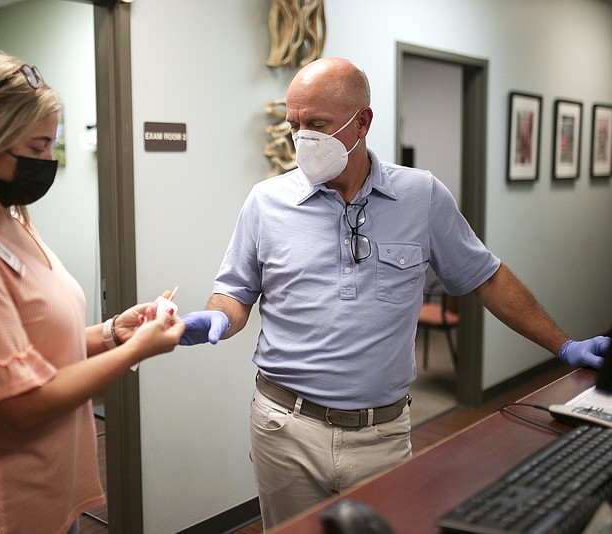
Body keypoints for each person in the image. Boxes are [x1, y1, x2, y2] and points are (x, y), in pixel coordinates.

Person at [179, 57, 610, 528]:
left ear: (362, 121)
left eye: (317, 124)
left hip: (380, 434)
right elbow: (235, 292)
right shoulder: (266, 202)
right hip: (285, 428)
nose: (302, 138)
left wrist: (562, 344)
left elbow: (487, 277)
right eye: (295, 124)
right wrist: (218, 317)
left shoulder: (420, 196)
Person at [0, 51, 184, 534]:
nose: (47, 162)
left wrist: (115, 332)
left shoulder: (9, 222)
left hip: (48, 489)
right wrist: (140, 349)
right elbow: (17, 404)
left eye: (52, 144)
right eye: (36, 147)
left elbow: (32, 345)